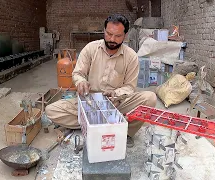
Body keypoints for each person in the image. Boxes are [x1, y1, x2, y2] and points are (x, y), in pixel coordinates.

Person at [45, 13, 157, 148]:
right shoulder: (90, 48)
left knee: (149, 98)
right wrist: (81, 82)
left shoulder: (131, 56)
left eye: (118, 36)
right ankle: (100, 124)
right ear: (104, 31)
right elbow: (78, 73)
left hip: (116, 103)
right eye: (109, 34)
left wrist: (115, 93)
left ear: (125, 36)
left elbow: (129, 87)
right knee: (51, 110)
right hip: (89, 102)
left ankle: (124, 132)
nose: (112, 39)